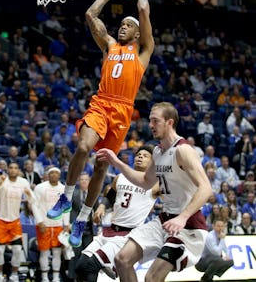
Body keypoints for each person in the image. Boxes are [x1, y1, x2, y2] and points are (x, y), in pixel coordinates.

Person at [47, 0, 154, 248]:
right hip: (101, 103)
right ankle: (66, 197)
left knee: (101, 167)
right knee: (83, 148)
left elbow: (142, 9)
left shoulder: (143, 51)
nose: (122, 27)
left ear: (138, 33)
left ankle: (83, 218)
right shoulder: (109, 46)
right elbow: (90, 14)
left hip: (122, 112)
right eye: (120, 24)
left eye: (128, 25)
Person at [96, 102, 212, 282]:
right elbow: (144, 182)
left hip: (188, 225)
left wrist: (182, 218)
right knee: (122, 259)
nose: (150, 125)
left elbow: (206, 189)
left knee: (152, 278)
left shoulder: (183, 150)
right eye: (150, 120)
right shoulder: (158, 151)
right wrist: (116, 162)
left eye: (155, 121)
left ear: (169, 122)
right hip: (165, 219)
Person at [75, 145, 159, 282]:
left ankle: (109, 263)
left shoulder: (155, 183)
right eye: (138, 155)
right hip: (110, 230)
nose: (140, 157)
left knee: (91, 266)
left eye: (145, 156)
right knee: (80, 266)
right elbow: (111, 194)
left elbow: (172, 197)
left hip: (128, 235)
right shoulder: (120, 177)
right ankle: (109, 263)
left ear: (152, 162)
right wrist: (102, 206)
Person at [0, 162, 34, 282]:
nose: (13, 170)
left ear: (18, 170)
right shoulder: (1, 179)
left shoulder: (23, 182)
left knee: (17, 249)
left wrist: (29, 195)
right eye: (11, 168)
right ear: (7, 169)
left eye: (15, 168)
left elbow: (33, 199)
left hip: (15, 221)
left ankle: (14, 274)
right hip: (1, 220)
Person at [31, 167, 69, 282]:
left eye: (56, 173)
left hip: (58, 225)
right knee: (44, 251)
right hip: (44, 225)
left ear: (59, 175)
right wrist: (39, 221)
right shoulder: (40, 187)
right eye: (51, 173)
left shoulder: (64, 189)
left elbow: (66, 208)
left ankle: (56, 278)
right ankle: (44, 277)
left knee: (57, 252)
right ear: (47, 175)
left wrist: (66, 224)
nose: (53, 175)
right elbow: (34, 205)